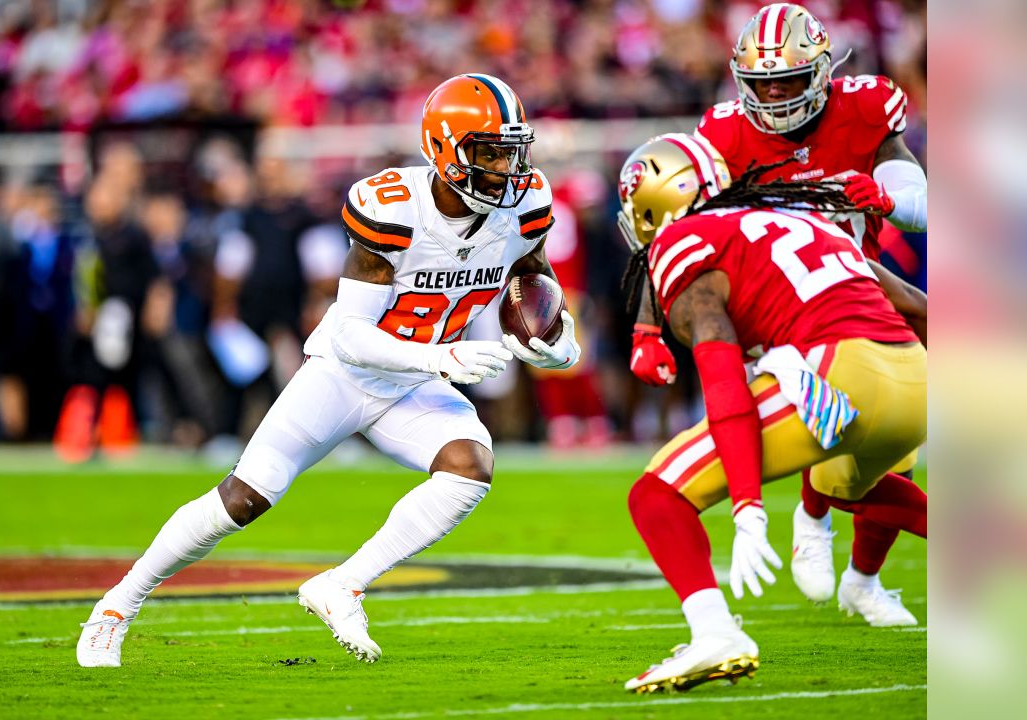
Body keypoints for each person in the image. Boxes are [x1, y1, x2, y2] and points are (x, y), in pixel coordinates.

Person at [76, 74, 582, 667]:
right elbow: (348, 332)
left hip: (415, 384)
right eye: (490, 152)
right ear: (445, 150)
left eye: (512, 152)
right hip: (345, 373)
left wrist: (559, 342)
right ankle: (116, 606)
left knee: (469, 468)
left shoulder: (524, 206)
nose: (507, 169)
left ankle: (342, 584)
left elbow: (534, 282)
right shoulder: (392, 208)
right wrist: (439, 356)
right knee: (242, 499)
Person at [626, 3, 928, 623]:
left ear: (822, 71)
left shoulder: (868, 106)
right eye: (763, 84)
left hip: (854, 276)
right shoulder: (724, 132)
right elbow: (679, 233)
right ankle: (808, 522)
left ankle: (861, 577)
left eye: (790, 79)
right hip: (777, 298)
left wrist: (890, 197)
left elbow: (920, 202)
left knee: (891, 451)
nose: (777, 95)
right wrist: (648, 324)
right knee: (832, 417)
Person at [614, 133, 927, 693]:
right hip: (915, 377)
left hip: (841, 370)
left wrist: (748, 507)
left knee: (657, 495)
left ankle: (715, 634)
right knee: (842, 486)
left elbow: (721, 367)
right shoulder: (799, 221)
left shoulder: (681, 241)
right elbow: (917, 306)